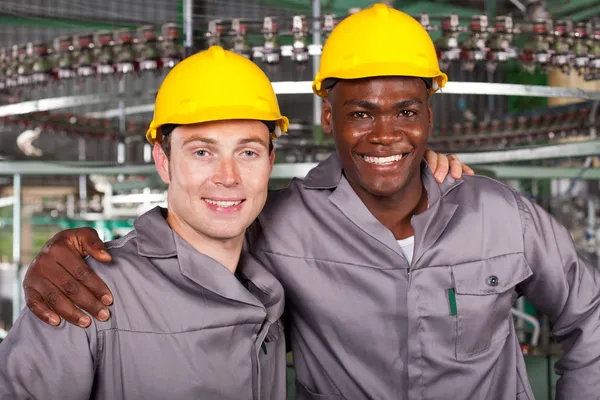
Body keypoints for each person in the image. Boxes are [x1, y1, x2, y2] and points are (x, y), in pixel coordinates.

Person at [29, 4, 600, 400]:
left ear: (430, 114)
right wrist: (65, 254)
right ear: (329, 116)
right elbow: (188, 240)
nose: (385, 135)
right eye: (361, 113)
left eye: (406, 112)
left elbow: (588, 313)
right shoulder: (281, 223)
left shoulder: (500, 215)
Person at [0, 46, 290, 399]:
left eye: (248, 153)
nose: (228, 177)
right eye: (202, 152)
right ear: (163, 161)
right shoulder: (84, 292)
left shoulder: (274, 282)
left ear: (270, 162)